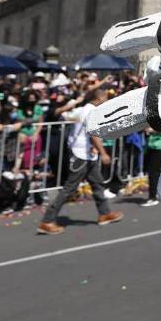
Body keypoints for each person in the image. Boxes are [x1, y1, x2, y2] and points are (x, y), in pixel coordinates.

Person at [36, 83, 122, 235]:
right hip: (80, 155)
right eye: (105, 97)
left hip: (88, 154)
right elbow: (93, 134)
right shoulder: (89, 111)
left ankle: (104, 213)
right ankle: (47, 221)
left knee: (97, 184)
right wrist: (103, 153)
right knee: (69, 188)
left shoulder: (90, 109)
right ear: (99, 97)